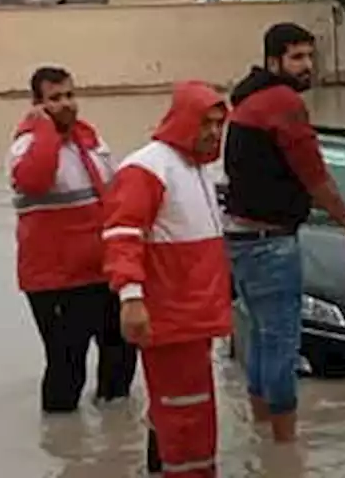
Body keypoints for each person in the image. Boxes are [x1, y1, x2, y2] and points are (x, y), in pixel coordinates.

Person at [224, 22, 345, 442]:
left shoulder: (247, 99)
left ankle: (262, 436)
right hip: (271, 241)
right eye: (297, 57)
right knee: (283, 345)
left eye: (310, 56)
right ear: (275, 62)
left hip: (240, 238)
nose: (307, 65)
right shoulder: (282, 102)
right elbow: (316, 177)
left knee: (259, 338)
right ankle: (286, 450)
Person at [102, 81, 232, 478]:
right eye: (205, 122)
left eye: (218, 124)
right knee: (186, 416)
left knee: (180, 409)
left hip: (194, 315)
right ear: (183, 120)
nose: (213, 132)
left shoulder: (196, 168)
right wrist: (131, 297)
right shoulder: (148, 168)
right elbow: (122, 235)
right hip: (171, 316)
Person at [6, 66, 137, 414]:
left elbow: (116, 198)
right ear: (37, 104)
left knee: (121, 354)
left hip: (102, 272)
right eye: (55, 99)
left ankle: (115, 441)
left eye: (69, 95)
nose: (66, 104)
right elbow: (34, 180)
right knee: (67, 366)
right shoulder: (25, 148)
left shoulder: (91, 142)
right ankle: (62, 446)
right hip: (55, 281)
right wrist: (45, 130)